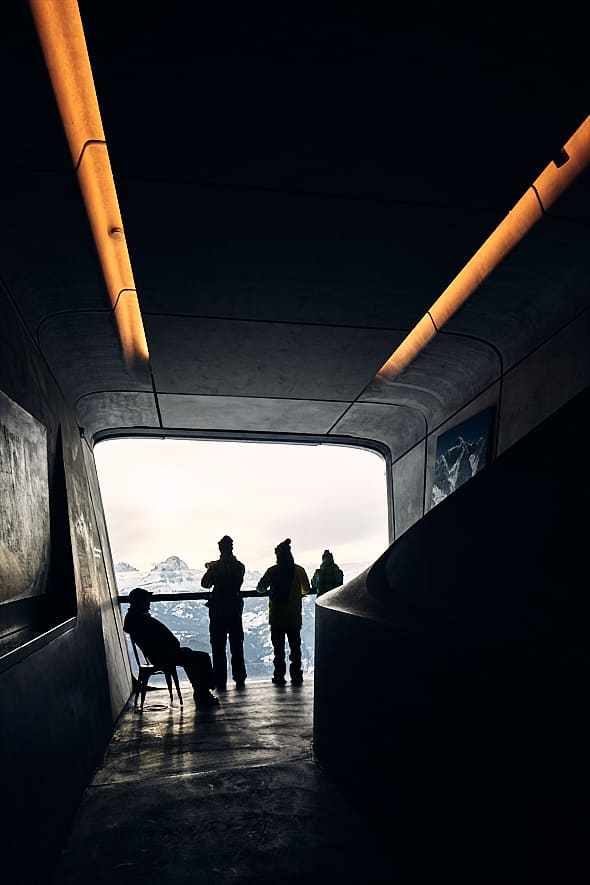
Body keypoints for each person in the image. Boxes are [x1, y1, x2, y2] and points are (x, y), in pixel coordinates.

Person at [123, 586, 219, 707]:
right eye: (147, 601)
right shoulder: (142, 619)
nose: (149, 604)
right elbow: (160, 638)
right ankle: (203, 692)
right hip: (164, 655)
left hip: (161, 654)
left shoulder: (135, 618)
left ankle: (202, 691)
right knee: (201, 657)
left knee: (192, 658)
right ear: (140, 602)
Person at [256, 538, 310, 685]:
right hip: (293, 616)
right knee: (295, 649)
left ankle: (279, 676)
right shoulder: (299, 570)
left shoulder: (272, 571)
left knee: (278, 650)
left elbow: (260, 588)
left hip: (276, 617)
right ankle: (296, 676)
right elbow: (306, 588)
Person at [201, 535, 247, 690]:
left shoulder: (215, 567)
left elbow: (205, 583)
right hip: (235, 609)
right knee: (237, 645)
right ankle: (239, 677)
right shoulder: (240, 566)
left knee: (218, 646)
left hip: (218, 610)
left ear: (220, 548)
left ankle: (220, 679)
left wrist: (210, 568)